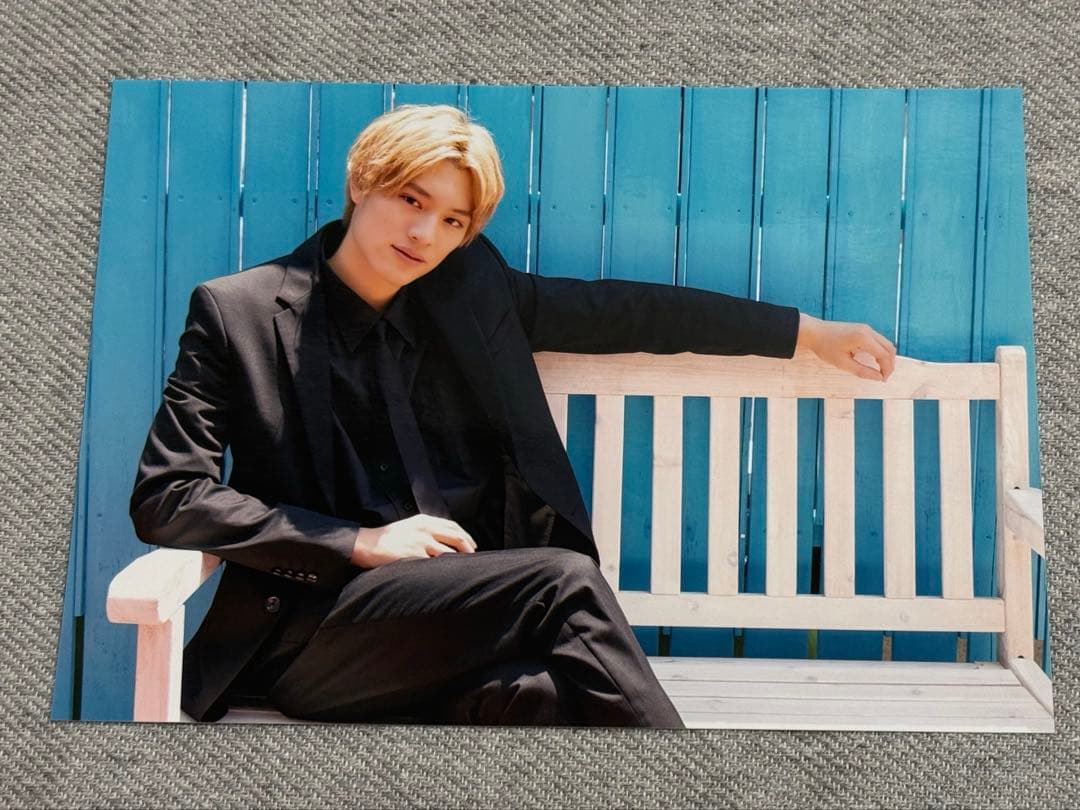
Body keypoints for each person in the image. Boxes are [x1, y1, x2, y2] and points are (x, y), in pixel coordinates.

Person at [130, 104, 897, 728]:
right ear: (363, 182)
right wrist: (358, 543)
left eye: (453, 221)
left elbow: (622, 311)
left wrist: (807, 333)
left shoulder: (470, 291)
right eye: (411, 200)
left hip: (466, 623)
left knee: (545, 700)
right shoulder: (239, 312)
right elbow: (168, 497)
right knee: (564, 582)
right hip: (318, 635)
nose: (425, 235)